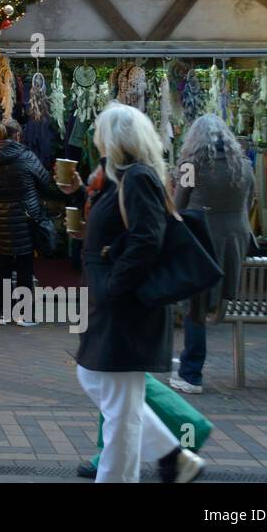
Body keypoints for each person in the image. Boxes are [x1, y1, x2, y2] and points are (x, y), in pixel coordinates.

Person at [75, 103, 205, 482]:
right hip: (114, 301)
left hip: (125, 305)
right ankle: (173, 456)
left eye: (101, 132)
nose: (97, 139)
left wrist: (115, 283)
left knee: (119, 407)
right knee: (101, 384)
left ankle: (153, 464)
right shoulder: (123, 176)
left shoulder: (137, 178)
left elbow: (148, 238)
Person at [169, 114, 255, 394]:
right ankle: (190, 363)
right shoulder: (242, 165)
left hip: (201, 237)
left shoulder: (191, 165)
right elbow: (249, 199)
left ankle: (191, 373)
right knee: (209, 300)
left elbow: (179, 204)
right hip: (235, 239)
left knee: (195, 304)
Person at [0, 118, 82, 325]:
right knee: (24, 265)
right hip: (24, 217)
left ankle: (1, 313)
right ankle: (24, 314)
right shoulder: (25, 156)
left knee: (4, 264)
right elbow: (46, 184)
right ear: (17, 135)